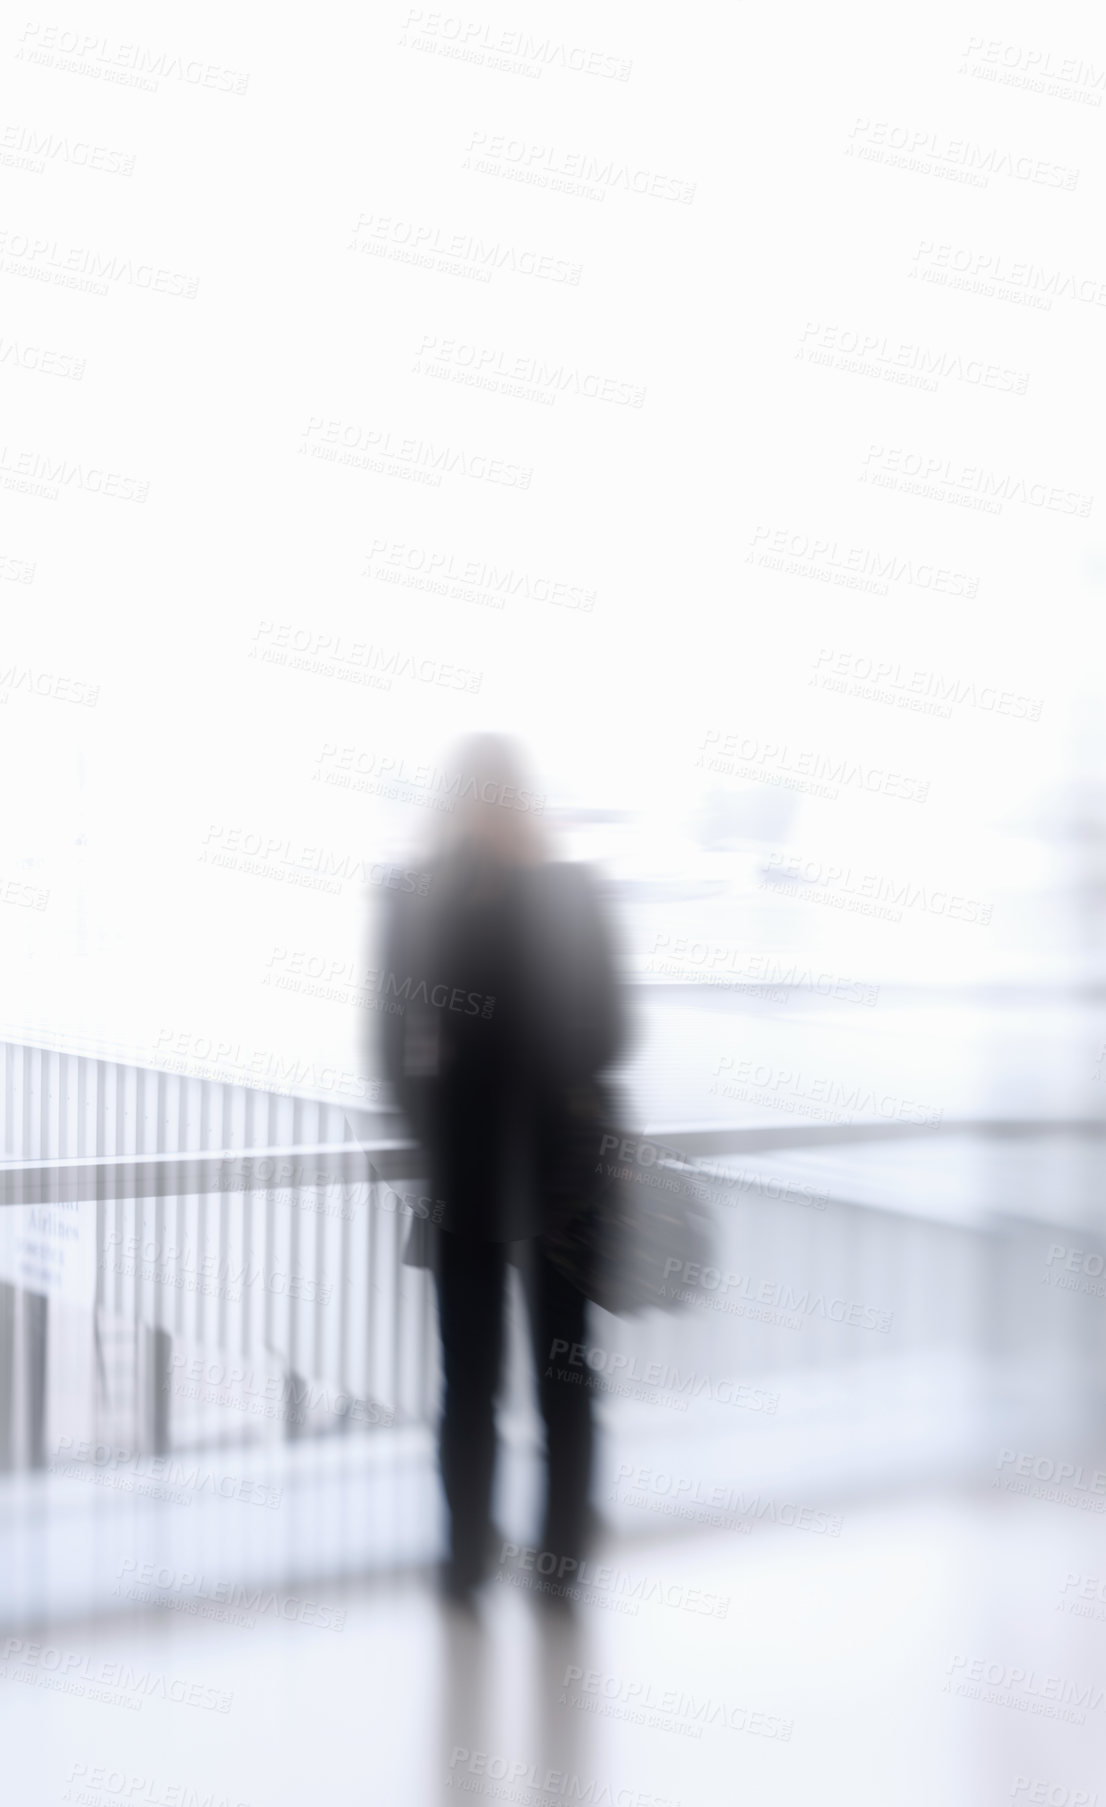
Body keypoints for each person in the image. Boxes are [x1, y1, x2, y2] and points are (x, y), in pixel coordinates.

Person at [376, 733, 625, 1601]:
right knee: (564, 1377)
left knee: (470, 1380)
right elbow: (614, 1035)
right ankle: (558, 1573)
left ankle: (463, 1568)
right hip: (560, 1175)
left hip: (468, 1177)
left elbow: (389, 1053)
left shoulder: (414, 897)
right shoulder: (569, 894)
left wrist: (439, 1130)